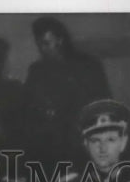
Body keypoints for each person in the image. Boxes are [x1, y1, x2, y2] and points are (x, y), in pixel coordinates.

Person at [24, 16, 110, 171]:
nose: (42, 49)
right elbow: (28, 109)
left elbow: (103, 105)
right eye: (39, 45)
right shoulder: (36, 71)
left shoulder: (88, 66)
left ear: (60, 40)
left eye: (46, 43)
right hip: (49, 150)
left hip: (82, 146)